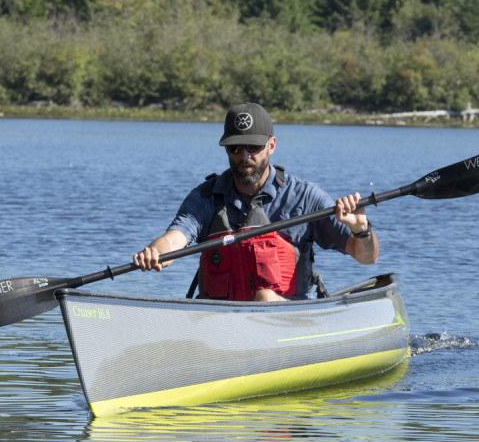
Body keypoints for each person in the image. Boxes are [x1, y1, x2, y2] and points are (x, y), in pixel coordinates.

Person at [133, 102, 377, 301]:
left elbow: (367, 257)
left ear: (271, 145)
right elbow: (175, 237)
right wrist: (156, 253)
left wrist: (360, 229)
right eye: (235, 148)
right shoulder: (205, 197)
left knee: (265, 298)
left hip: (294, 322)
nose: (245, 156)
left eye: (254, 147)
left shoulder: (304, 196)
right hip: (223, 324)